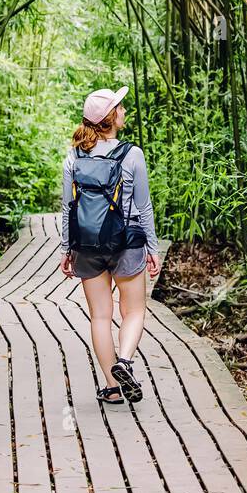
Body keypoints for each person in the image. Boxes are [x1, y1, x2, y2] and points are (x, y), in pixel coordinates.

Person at [60, 86, 160, 405]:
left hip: (86, 246)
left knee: (100, 317)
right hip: (126, 242)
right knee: (133, 310)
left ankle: (112, 388)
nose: (125, 110)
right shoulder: (132, 154)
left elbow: (68, 208)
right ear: (112, 117)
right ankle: (125, 362)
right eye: (121, 106)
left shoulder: (73, 157)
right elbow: (144, 207)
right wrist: (153, 248)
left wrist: (67, 249)